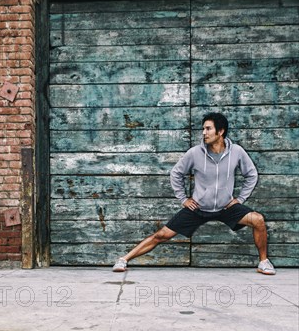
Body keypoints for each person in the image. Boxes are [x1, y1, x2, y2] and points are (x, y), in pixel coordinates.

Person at [112, 112, 275, 275]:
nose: (204, 133)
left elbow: (251, 174)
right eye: (203, 128)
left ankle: (263, 262)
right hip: (198, 208)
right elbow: (176, 173)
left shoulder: (237, 152)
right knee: (161, 235)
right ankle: (124, 259)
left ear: (221, 131)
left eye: (208, 128)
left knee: (258, 220)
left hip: (226, 208)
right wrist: (183, 199)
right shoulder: (195, 153)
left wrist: (240, 199)